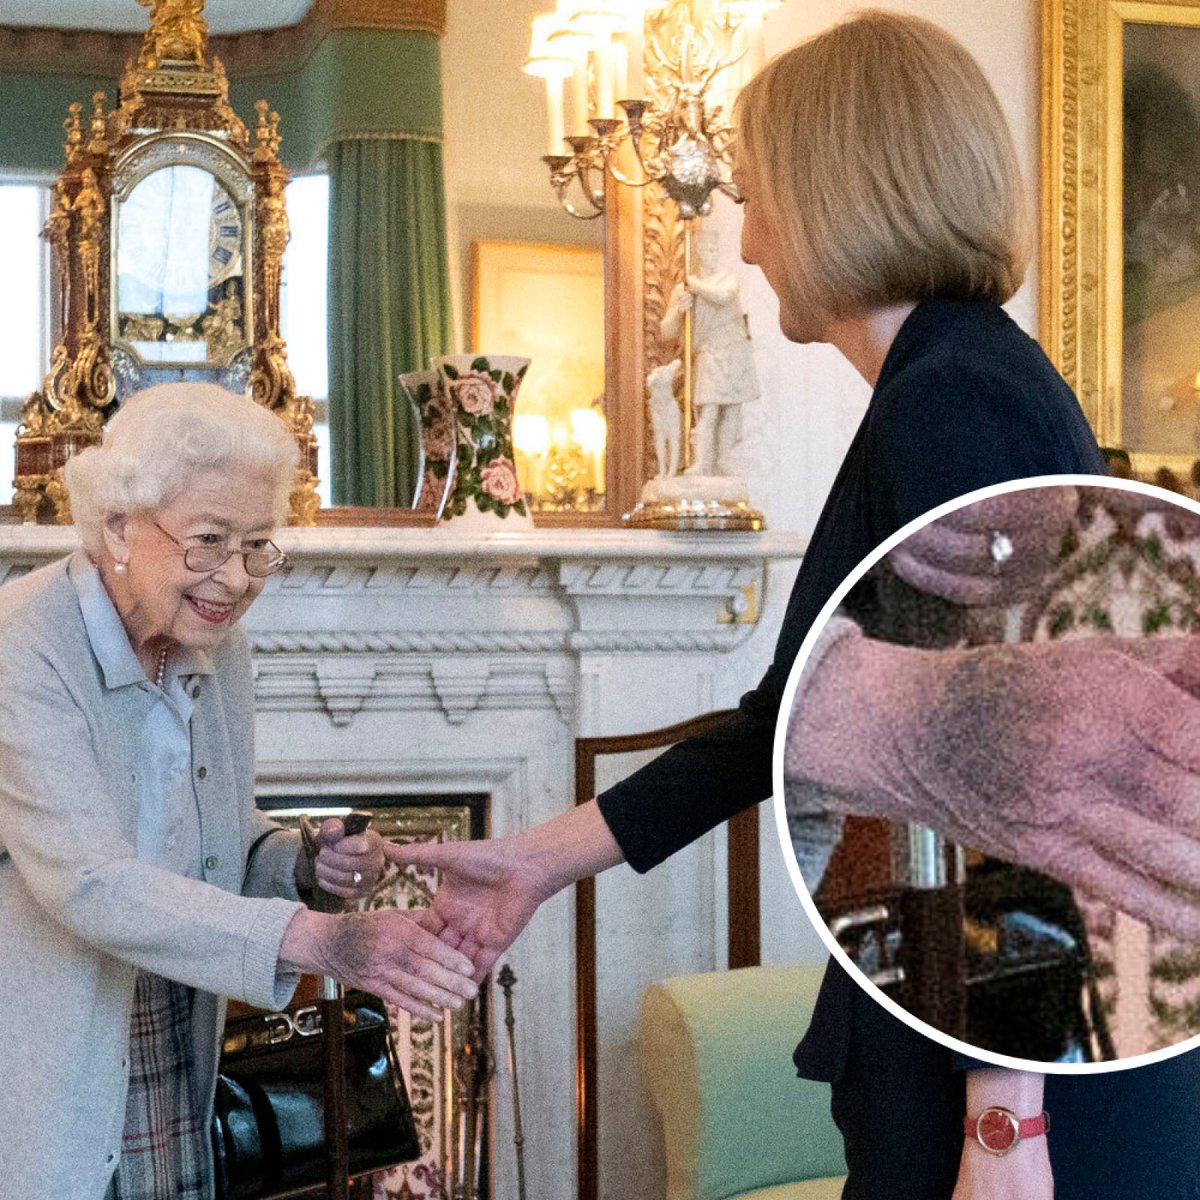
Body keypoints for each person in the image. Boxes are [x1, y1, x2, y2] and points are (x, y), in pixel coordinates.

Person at [389, 12, 1200, 1200]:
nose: (754, 241)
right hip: (974, 1038)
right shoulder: (947, 384)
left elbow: (1027, 776)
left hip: (1013, 1075)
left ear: (841, 194)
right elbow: (794, 716)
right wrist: (533, 861)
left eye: (760, 196)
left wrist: (1004, 1125)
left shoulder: (957, 400)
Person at [0, 384, 478, 1200]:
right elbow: (87, 878)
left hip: (171, 1011)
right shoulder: (23, 643)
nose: (236, 577)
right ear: (118, 526)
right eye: (209, 541)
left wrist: (299, 864)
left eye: (259, 545)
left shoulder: (217, 647)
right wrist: (321, 941)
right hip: (52, 1024)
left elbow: (209, 832)